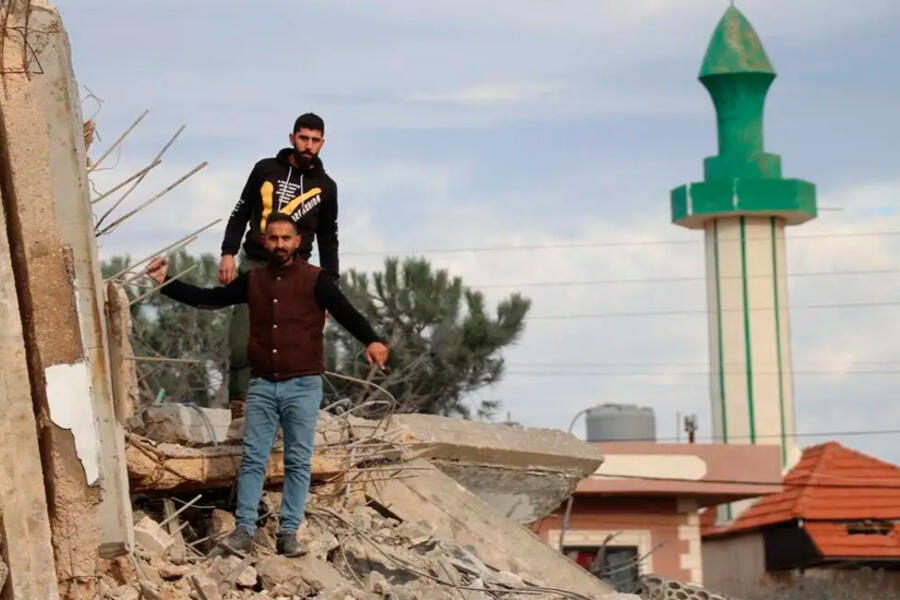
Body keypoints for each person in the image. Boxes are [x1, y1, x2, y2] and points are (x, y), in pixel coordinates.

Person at [147, 213, 387, 557]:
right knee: (253, 459)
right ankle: (244, 530)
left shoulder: (315, 280)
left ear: (298, 241)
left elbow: (347, 312)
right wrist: (165, 281)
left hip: (303, 384)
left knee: (298, 461)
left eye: (286, 238)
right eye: (273, 238)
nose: (280, 245)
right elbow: (210, 298)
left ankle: (288, 533)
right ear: (264, 241)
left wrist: (372, 341)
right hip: (262, 384)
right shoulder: (253, 279)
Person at [219, 113, 339, 419]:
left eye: (314, 140)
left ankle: (289, 407)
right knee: (240, 338)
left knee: (291, 339)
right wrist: (228, 253)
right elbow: (241, 211)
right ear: (292, 138)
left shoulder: (326, 187)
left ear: (322, 143)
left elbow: (328, 238)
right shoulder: (265, 169)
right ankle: (239, 402)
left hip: (298, 270)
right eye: (303, 138)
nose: (308, 145)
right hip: (255, 263)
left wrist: (331, 285)